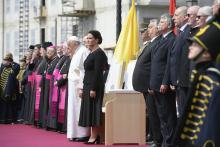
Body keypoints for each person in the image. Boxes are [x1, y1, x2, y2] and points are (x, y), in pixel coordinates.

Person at [172, 16, 220, 147]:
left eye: (196, 44)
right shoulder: (202, 76)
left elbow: (210, 128)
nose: (191, 47)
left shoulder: (213, 83)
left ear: (207, 52)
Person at [133, 19, 162, 147]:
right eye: (148, 27)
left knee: (154, 113)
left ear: (157, 29)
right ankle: (154, 137)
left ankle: (157, 140)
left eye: (151, 27)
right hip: (145, 85)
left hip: (150, 85)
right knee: (151, 113)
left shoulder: (157, 43)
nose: (148, 30)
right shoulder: (151, 43)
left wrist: (151, 84)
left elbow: (154, 67)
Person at [149, 14, 177, 147]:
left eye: (162, 21)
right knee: (161, 115)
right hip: (156, 83)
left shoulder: (172, 39)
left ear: (169, 24)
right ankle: (165, 140)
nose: (159, 24)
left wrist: (165, 82)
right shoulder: (161, 39)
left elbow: (168, 64)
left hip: (163, 84)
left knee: (168, 114)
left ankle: (169, 142)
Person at [78, 30, 108, 144]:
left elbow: (98, 73)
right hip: (87, 85)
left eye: (90, 38)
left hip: (93, 87)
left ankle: (94, 137)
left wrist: (93, 89)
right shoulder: (91, 52)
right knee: (89, 111)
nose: (88, 40)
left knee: (94, 111)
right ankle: (93, 135)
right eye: (87, 38)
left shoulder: (99, 53)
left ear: (97, 40)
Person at [67, 36, 90, 142]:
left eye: (69, 44)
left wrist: (81, 87)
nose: (68, 47)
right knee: (74, 110)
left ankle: (83, 133)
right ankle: (74, 133)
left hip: (79, 86)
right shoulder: (76, 52)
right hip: (73, 86)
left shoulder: (83, 51)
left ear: (75, 44)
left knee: (80, 109)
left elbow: (85, 71)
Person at [170, 6, 191, 118]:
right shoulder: (180, 33)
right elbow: (174, 57)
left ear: (185, 17)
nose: (173, 18)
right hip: (178, 81)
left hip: (183, 80)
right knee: (181, 112)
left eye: (177, 15)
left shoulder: (188, 32)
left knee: (184, 113)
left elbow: (184, 59)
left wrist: (177, 78)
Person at [0, 53, 18, 124]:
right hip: (2, 88)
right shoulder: (2, 67)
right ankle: (2, 119)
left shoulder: (15, 66)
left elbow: (16, 68)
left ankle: (9, 120)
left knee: (9, 105)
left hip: (9, 89)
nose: (4, 62)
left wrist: (11, 62)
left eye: (7, 60)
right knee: (3, 105)